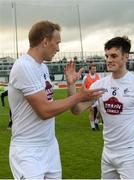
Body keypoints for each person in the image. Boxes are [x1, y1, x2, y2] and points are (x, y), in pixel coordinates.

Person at [8, 20, 102, 179]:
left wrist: (71, 86)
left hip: (50, 146)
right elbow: (45, 111)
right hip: (28, 150)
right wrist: (80, 95)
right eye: (56, 43)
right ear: (45, 41)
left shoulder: (42, 67)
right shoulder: (23, 66)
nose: (58, 48)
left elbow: (71, 109)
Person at [65, 36, 134, 179]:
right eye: (106, 56)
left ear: (125, 57)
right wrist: (71, 86)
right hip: (108, 154)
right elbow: (76, 110)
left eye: (114, 56)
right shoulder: (99, 86)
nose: (109, 60)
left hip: (132, 154)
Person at [82, 64, 100, 130]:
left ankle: (96, 122)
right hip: (90, 96)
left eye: (95, 69)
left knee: (100, 110)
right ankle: (93, 126)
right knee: (92, 111)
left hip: (97, 95)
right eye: (93, 69)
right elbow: (83, 87)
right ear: (90, 70)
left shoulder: (98, 76)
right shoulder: (86, 77)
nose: (94, 70)